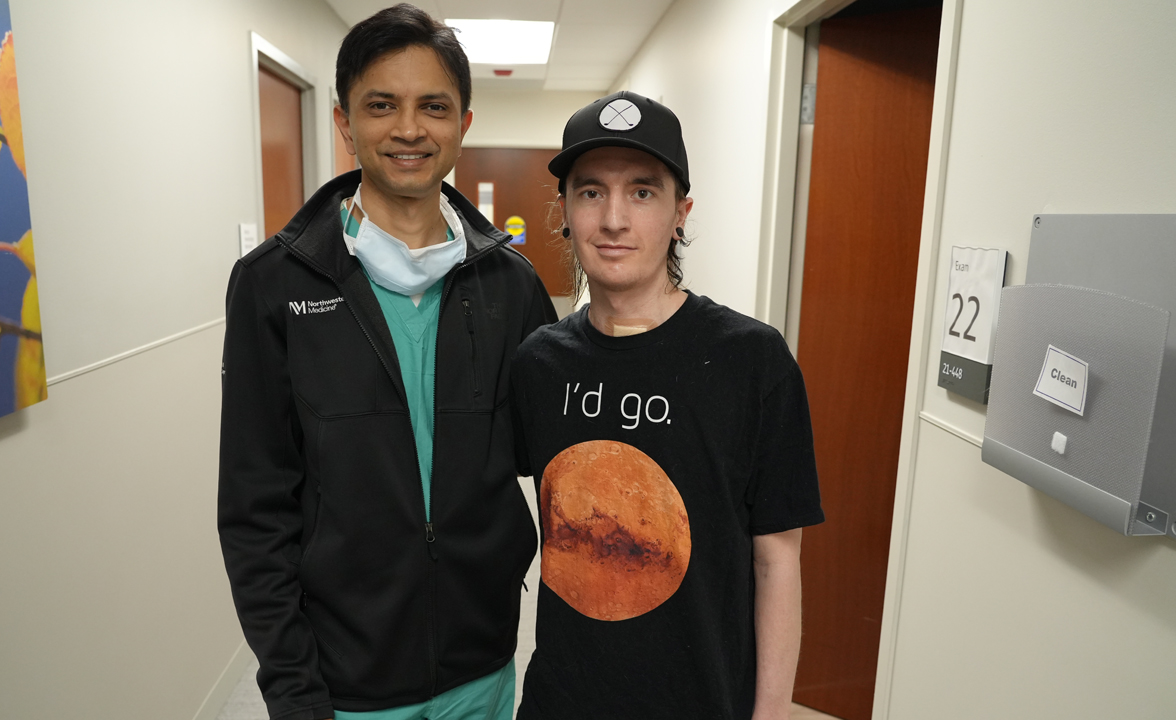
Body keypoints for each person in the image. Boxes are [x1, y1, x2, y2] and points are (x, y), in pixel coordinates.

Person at [217, 6, 556, 720]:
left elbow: (556, 465)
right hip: (346, 684)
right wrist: (292, 687)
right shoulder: (274, 286)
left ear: (464, 124)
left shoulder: (512, 288)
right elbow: (255, 510)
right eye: (382, 106)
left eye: (433, 106)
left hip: (482, 666)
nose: (409, 129)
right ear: (345, 122)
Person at [510, 92, 825, 720]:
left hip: (702, 699)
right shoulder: (538, 364)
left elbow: (777, 560)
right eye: (591, 192)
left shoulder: (752, 362)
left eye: (643, 192)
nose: (615, 220)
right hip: (561, 701)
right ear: (565, 212)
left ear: (681, 212)